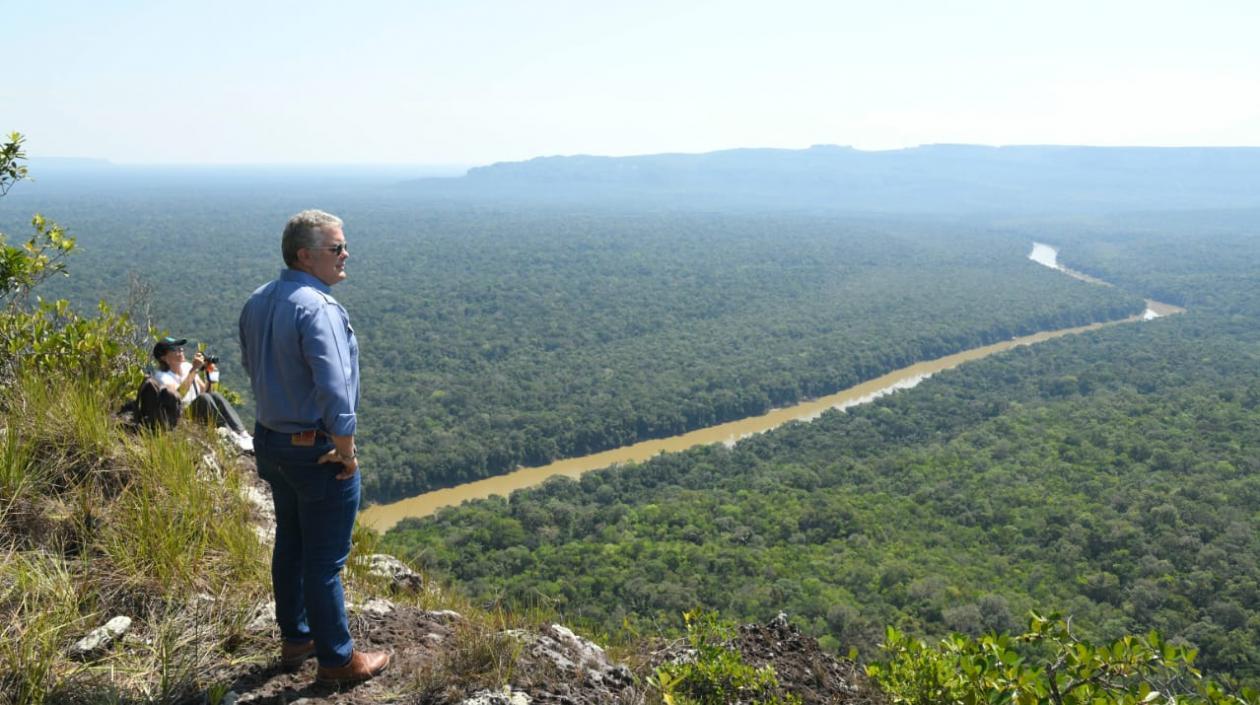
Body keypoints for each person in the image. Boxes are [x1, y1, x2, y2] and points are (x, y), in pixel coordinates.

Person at [238, 209, 390, 685]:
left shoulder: (258, 300)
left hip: (271, 442)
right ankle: (338, 661)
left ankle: (297, 637)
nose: (346, 255)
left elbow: (251, 367)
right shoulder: (318, 308)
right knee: (325, 562)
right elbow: (335, 388)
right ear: (305, 255)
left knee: (291, 543)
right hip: (315, 449)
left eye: (344, 246)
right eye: (336, 248)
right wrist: (345, 450)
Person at [142, 336, 251, 449]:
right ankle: (230, 434)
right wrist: (194, 370)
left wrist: (210, 375)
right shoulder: (161, 376)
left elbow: (206, 391)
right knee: (203, 398)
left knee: (214, 395)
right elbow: (177, 396)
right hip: (180, 416)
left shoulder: (187, 367)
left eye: (181, 348)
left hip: (195, 409)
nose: (181, 351)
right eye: (175, 349)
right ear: (164, 357)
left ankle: (242, 433)